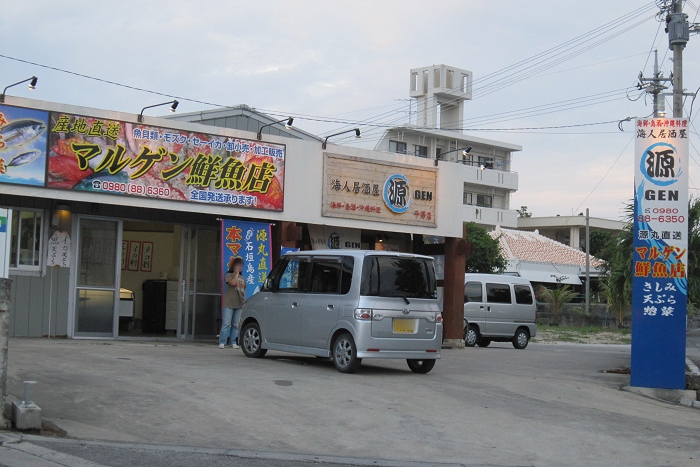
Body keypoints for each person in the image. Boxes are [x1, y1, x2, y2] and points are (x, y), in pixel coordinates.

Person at [219, 257, 246, 349]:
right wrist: (236, 274)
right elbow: (233, 283)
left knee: (236, 324)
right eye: (238, 265)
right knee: (226, 323)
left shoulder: (243, 278)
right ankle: (222, 341)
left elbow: (243, 290)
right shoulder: (228, 275)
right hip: (229, 303)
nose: (240, 267)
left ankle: (233, 341)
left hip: (239, 304)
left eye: (241, 266)